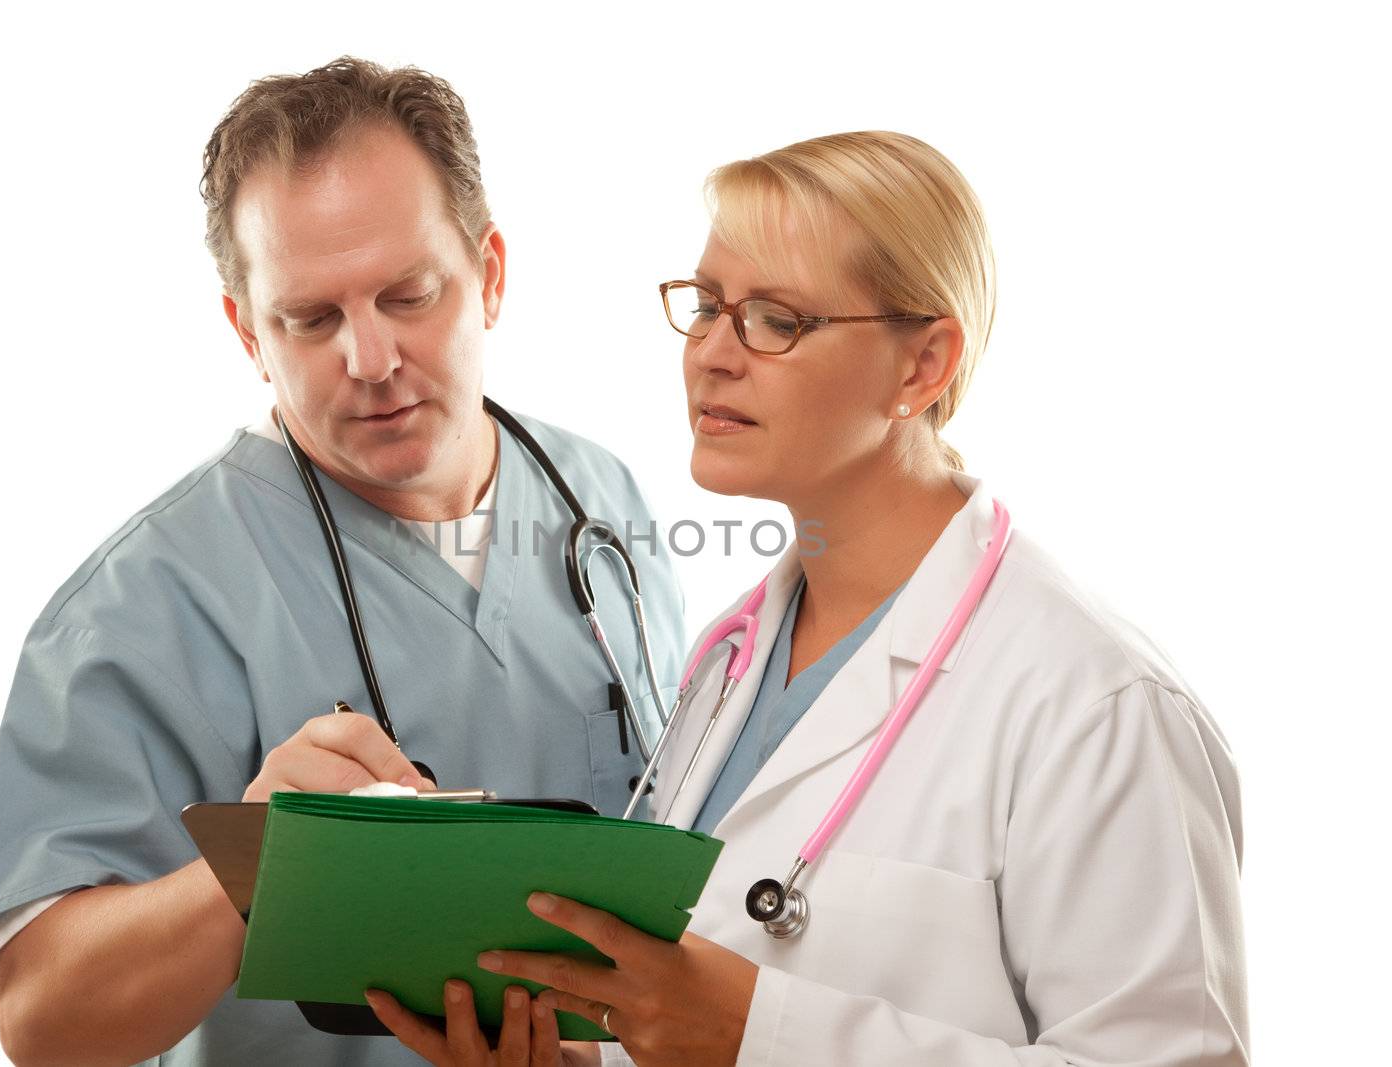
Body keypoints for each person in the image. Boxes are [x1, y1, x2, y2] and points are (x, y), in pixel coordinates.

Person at [371, 132, 1249, 1065]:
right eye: (706, 305)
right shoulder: (731, 656)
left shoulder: (1095, 703)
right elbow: (681, 1013)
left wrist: (763, 1035)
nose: (710, 352)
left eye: (776, 320)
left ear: (923, 366)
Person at [0, 57, 684, 1066]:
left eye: (409, 294)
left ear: (488, 273)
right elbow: (43, 1021)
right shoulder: (146, 601)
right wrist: (263, 862)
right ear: (247, 331)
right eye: (311, 319)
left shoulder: (600, 502)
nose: (370, 357)